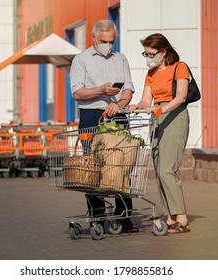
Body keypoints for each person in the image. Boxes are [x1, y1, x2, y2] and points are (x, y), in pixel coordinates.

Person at [70, 19, 138, 233]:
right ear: (94, 38)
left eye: (112, 41)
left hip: (117, 115)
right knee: (93, 166)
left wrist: (119, 103)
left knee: (122, 165)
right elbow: (77, 92)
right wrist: (100, 90)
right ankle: (97, 217)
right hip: (91, 115)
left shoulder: (121, 59)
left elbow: (128, 88)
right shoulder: (81, 60)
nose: (108, 45)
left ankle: (124, 217)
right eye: (104, 41)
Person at [129, 33, 191, 234]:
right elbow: (146, 100)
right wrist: (137, 106)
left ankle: (181, 217)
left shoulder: (179, 67)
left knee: (167, 169)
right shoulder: (152, 73)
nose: (148, 57)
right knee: (159, 169)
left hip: (174, 116)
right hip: (157, 118)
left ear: (163, 52)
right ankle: (170, 216)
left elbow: (181, 97)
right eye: (145, 54)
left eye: (151, 53)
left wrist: (161, 109)